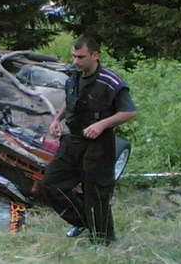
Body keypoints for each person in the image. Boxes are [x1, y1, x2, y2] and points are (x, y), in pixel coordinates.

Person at [41, 35, 137, 245]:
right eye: (74, 56)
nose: (76, 61)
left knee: (96, 193)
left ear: (95, 55)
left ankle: (102, 241)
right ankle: (83, 221)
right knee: (51, 184)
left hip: (99, 144)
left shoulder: (110, 82)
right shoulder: (73, 77)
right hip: (73, 140)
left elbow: (129, 112)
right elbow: (70, 102)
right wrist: (57, 119)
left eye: (81, 57)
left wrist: (102, 124)